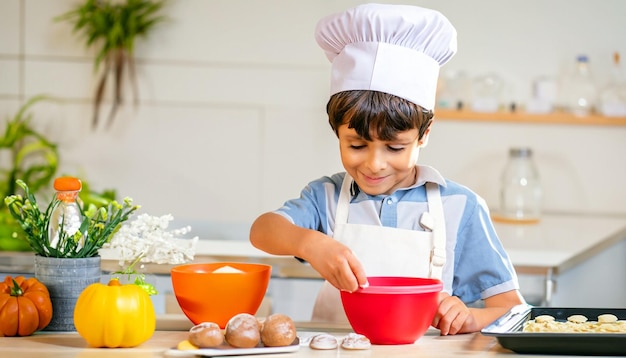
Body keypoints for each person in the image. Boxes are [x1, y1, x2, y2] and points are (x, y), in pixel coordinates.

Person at [249, 3, 525, 335]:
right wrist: (309, 243)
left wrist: (469, 317)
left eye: (394, 147)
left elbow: (512, 308)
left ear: (424, 134)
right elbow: (262, 230)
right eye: (356, 145)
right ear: (336, 131)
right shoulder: (325, 197)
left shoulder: (461, 207)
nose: (374, 163)